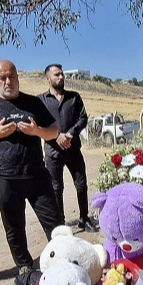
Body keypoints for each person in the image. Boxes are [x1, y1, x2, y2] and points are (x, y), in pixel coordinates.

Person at [0, 60, 65, 283]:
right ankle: (24, 266)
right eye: (2, 78)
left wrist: (36, 131)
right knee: (14, 225)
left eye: (11, 76)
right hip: (5, 176)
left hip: (36, 174)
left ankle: (64, 258)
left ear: (17, 76)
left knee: (54, 221)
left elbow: (53, 131)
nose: (7, 81)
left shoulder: (33, 103)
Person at [39, 64, 97, 232]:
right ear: (48, 79)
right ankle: (60, 223)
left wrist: (70, 134)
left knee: (81, 184)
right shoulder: (41, 101)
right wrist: (56, 136)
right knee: (56, 188)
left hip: (73, 149)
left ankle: (84, 218)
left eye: (62, 74)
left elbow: (83, 118)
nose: (61, 77)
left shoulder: (74, 97)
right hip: (52, 152)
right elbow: (39, 126)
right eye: (57, 74)